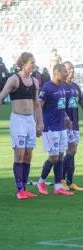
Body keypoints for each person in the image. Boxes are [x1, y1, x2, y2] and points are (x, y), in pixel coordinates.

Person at [0, 52, 43, 200]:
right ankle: (19, 189)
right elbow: (0, 98)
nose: (34, 64)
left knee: (28, 154)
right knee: (19, 154)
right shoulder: (14, 79)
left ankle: (24, 188)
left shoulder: (35, 81)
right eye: (31, 62)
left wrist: (40, 122)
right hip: (18, 120)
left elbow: (37, 104)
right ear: (23, 63)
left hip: (29, 120)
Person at [37, 64, 74, 196]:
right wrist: (39, 124)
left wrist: (67, 118)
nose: (67, 74)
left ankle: (58, 186)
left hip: (61, 128)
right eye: (64, 72)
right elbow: (39, 107)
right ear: (57, 72)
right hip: (50, 128)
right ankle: (41, 182)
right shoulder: (47, 88)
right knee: (53, 158)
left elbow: (61, 107)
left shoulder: (63, 87)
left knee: (60, 156)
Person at [61, 61, 83, 191]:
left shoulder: (75, 86)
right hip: (64, 125)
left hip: (75, 124)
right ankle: (61, 179)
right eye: (69, 69)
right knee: (70, 151)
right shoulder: (61, 87)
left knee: (72, 152)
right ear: (63, 71)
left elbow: (81, 101)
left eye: (73, 69)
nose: (72, 71)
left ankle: (70, 182)